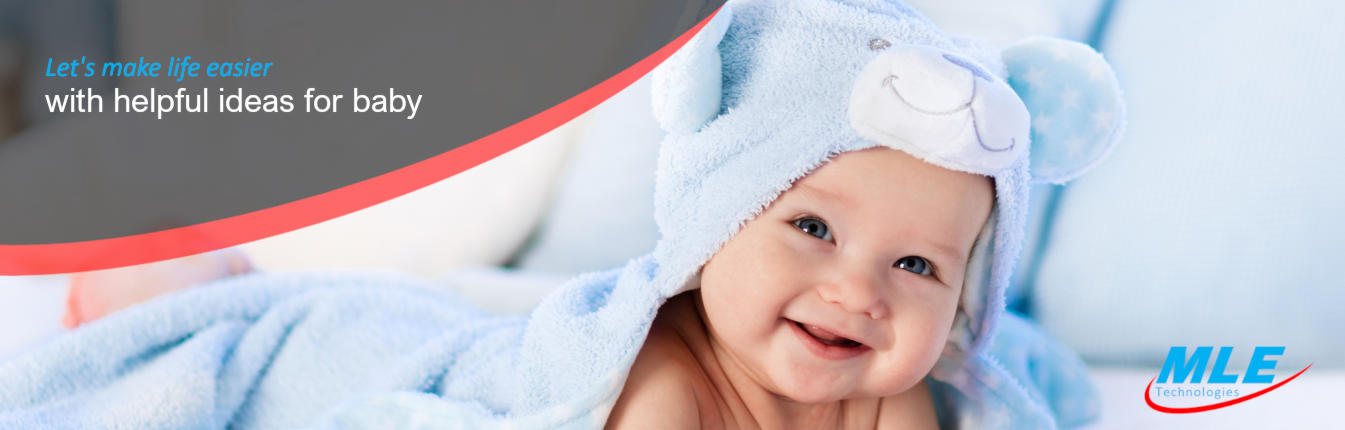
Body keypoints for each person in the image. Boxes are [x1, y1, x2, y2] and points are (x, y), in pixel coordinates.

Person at [16, 0, 1123, 428]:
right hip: (370, 358)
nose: (859, 291)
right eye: (813, 229)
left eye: (923, 268)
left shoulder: (894, 398)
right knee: (245, 328)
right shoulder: (663, 386)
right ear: (717, 218)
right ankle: (173, 262)